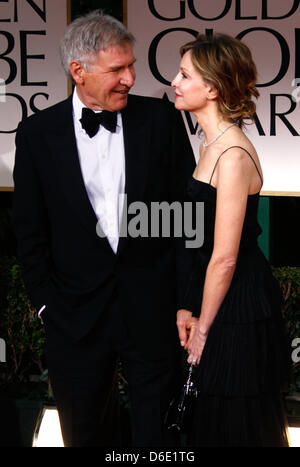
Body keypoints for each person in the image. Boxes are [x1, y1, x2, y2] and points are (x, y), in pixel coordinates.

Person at [12, 11, 195, 447]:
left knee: (162, 438)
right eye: (117, 69)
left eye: (131, 65)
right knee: (86, 433)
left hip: (152, 311)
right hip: (74, 318)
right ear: (78, 70)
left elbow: (187, 216)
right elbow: (28, 228)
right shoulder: (38, 133)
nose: (130, 78)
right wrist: (46, 306)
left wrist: (185, 299)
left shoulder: (161, 121)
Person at [172, 33, 290, 447]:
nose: (174, 81)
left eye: (185, 75)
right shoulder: (211, 145)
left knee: (237, 419)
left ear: (213, 87)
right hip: (214, 298)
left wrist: (203, 326)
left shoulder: (233, 155)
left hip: (237, 302)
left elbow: (224, 257)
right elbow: (198, 241)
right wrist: (189, 306)